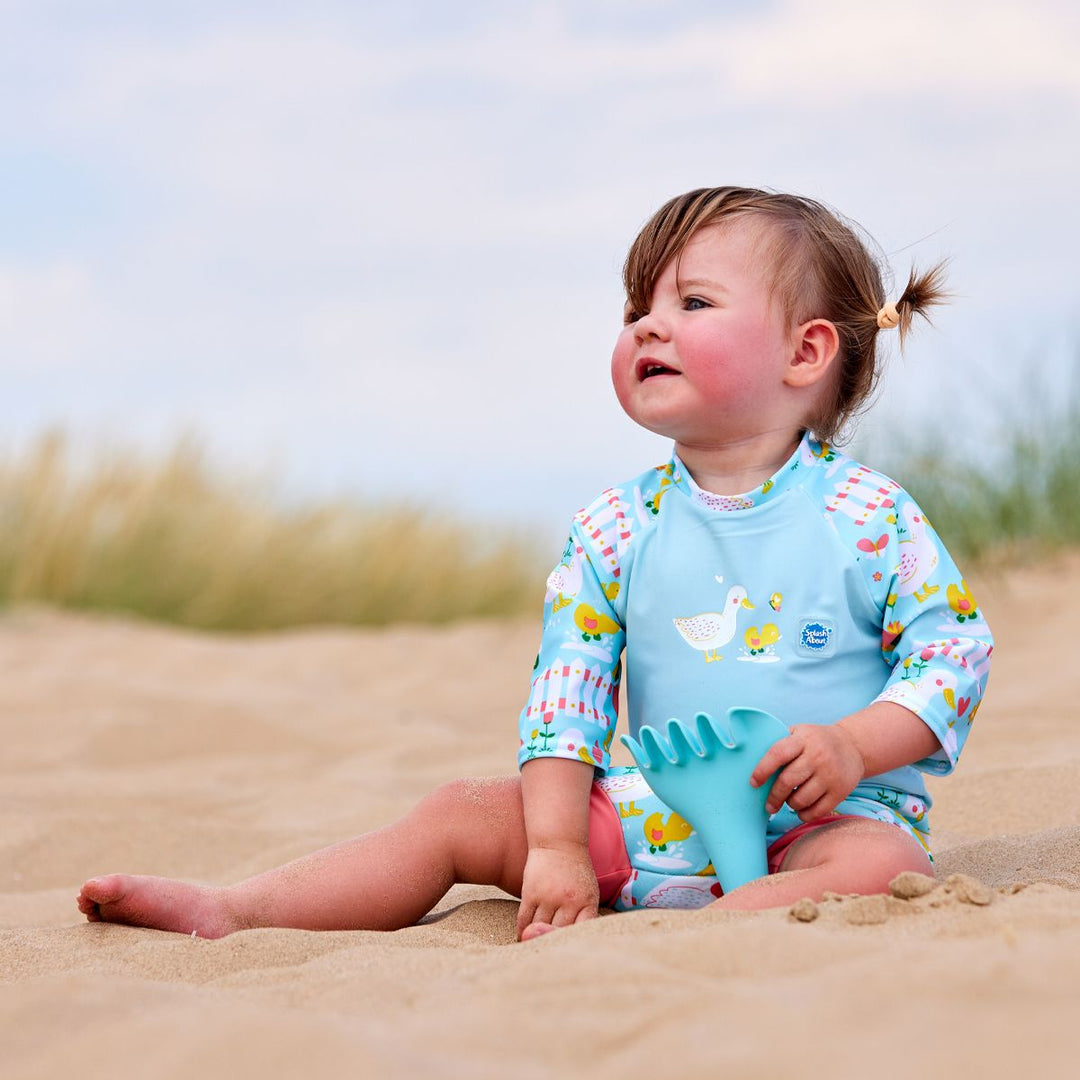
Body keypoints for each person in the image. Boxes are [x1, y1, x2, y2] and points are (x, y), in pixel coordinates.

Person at [77, 186, 993, 942]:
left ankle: (723, 931)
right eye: (638, 308)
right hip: (653, 823)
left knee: (885, 867)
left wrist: (851, 745)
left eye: (693, 303)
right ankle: (237, 912)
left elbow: (952, 652)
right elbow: (571, 691)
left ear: (806, 351)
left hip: (815, 828)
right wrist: (555, 845)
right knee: (456, 814)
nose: (649, 328)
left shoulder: (868, 516)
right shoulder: (613, 526)